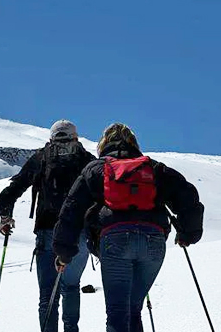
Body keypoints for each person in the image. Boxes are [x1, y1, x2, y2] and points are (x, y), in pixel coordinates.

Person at [52, 123, 204, 332]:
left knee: (117, 312)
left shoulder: (96, 169)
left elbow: (71, 211)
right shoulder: (152, 167)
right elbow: (188, 197)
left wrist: (64, 253)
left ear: (104, 143)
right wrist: (188, 233)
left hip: (115, 240)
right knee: (133, 309)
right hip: (153, 242)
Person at [0, 119, 95, 332]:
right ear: (76, 137)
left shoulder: (42, 158)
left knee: (47, 294)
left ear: (50, 138)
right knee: (70, 287)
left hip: (47, 230)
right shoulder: (86, 159)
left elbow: (12, 190)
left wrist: (5, 217)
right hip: (78, 234)